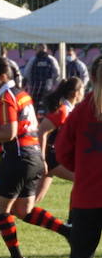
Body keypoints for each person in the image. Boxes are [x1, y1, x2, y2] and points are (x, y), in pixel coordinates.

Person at [0, 56, 73, 258]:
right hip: (34, 156)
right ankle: (68, 232)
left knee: (0, 209)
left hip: (16, 158)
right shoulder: (22, 94)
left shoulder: (4, 98)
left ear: (2, 77)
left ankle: (16, 257)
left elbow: (9, 132)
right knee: (23, 210)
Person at [53, 55, 102, 258]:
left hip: (85, 197)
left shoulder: (81, 111)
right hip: (88, 193)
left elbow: (62, 151)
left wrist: (82, 169)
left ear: (91, 79)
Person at [36, 76, 83, 204]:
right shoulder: (63, 111)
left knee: (32, 200)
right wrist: (43, 159)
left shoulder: (71, 110)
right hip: (52, 158)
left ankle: (3, 214)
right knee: (82, 180)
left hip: (54, 157)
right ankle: (72, 221)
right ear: (76, 93)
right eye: (83, 89)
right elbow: (41, 131)